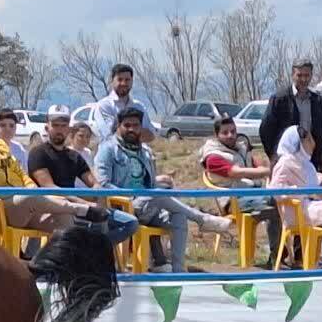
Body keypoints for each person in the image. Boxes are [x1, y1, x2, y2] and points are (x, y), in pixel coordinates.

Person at [95, 107, 233, 272]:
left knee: (179, 215)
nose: (132, 129)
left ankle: (177, 271)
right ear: (118, 125)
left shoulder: (145, 151)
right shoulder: (108, 150)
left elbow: (150, 183)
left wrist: (160, 183)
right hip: (123, 205)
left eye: (136, 125)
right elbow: (103, 184)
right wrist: (133, 194)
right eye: (127, 125)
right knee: (157, 195)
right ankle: (202, 219)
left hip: (148, 205)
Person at [0, 111, 109, 234]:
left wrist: (33, 189)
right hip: (0, 208)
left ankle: (55, 265)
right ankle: (79, 209)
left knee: (63, 219)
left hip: (27, 205)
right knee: (30, 197)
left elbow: (19, 173)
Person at [29, 107, 138, 245]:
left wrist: (98, 196)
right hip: (53, 209)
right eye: (55, 125)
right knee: (86, 220)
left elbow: (93, 182)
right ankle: (91, 254)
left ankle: (94, 250)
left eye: (63, 126)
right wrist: (85, 204)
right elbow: (50, 188)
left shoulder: (74, 156)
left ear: (68, 129)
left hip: (80, 208)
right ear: (47, 127)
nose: (59, 129)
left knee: (130, 223)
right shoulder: (38, 153)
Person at [269, 126, 322, 269]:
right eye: (308, 139)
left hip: (313, 206)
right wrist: (301, 192)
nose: (313, 142)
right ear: (298, 142)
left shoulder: (304, 162)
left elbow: (311, 181)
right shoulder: (285, 162)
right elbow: (275, 190)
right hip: (299, 211)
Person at [200, 116, 283, 267]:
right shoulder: (213, 156)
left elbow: (257, 165)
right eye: (225, 132)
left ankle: (278, 258)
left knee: (283, 202)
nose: (230, 135)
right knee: (276, 201)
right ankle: (275, 258)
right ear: (216, 135)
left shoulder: (242, 148)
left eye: (233, 131)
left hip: (252, 194)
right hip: (233, 201)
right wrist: (266, 171)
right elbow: (236, 172)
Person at [261, 60, 322, 171]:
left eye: (307, 75)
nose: (303, 79)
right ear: (293, 75)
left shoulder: (317, 100)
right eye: (299, 75)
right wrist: (273, 154)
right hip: (286, 158)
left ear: (311, 75)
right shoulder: (279, 99)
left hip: (311, 158)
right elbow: (266, 129)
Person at [93, 63, 155, 144]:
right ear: (112, 81)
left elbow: (150, 135)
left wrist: (123, 131)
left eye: (127, 80)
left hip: (137, 155)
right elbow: (109, 135)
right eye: (120, 79)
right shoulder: (104, 106)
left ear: (132, 81)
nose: (123, 83)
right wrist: (137, 132)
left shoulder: (139, 107)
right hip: (111, 155)